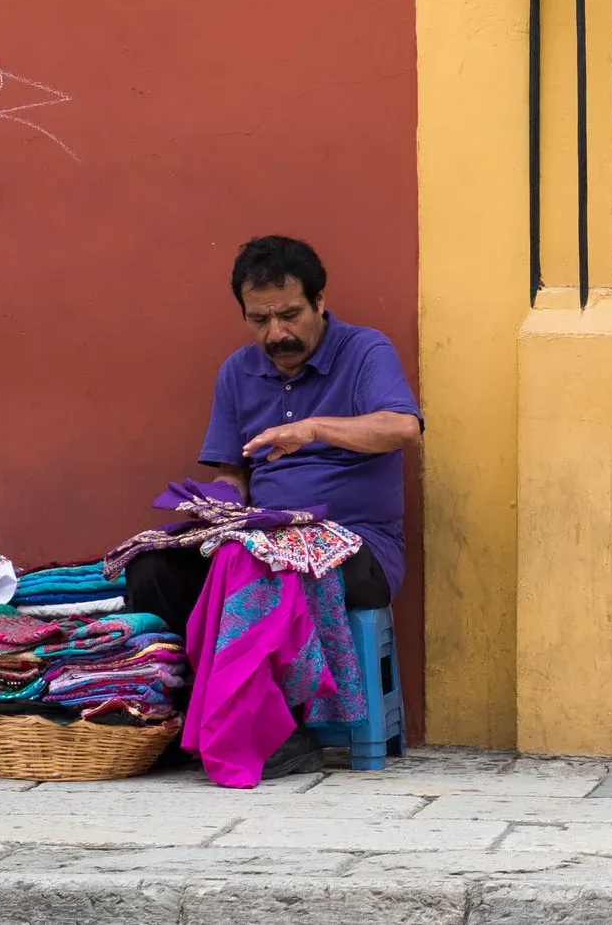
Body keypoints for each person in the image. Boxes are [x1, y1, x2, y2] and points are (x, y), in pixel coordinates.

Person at [125, 235, 422, 778]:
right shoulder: (239, 371)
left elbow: (402, 427)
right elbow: (233, 472)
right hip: (261, 539)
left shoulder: (365, 351)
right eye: (260, 320)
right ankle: (201, 714)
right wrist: (221, 509)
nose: (276, 334)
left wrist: (311, 429)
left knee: (265, 564)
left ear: (320, 303)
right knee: (152, 570)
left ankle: (285, 727)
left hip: (359, 548)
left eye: (289, 315)